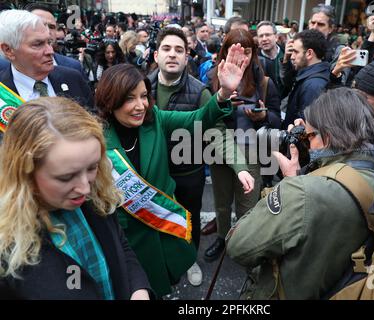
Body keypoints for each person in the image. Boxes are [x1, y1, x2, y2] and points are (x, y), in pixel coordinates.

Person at [94, 41, 249, 297]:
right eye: (129, 98)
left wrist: (222, 92)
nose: (140, 105)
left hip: (162, 227)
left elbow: (198, 118)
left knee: (163, 281)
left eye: (144, 96)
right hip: (125, 239)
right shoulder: (94, 138)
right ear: (110, 100)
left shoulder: (154, 119)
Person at [227, 87, 374, 299]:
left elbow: (239, 246)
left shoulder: (301, 192)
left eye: (309, 136)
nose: (307, 145)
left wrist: (290, 185)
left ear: (327, 137)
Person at [0, 97, 152, 299]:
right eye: (65, 177)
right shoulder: (6, 244)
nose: (84, 188)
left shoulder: (96, 195)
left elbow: (121, 248)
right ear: (24, 173)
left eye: (92, 167)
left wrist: (138, 289)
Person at [147, 27, 254, 286]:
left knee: (189, 220)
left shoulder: (200, 92)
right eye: (166, 48)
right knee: (154, 220)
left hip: (188, 175)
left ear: (187, 58)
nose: (172, 55)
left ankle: (188, 259)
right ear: (155, 54)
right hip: (151, 175)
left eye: (179, 50)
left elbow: (217, 133)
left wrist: (239, 166)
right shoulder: (142, 87)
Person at [205, 29, 282, 262]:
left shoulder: (264, 81)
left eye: (247, 51)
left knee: (248, 203)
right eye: (234, 51)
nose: (242, 57)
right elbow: (205, 116)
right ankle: (221, 237)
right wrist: (224, 102)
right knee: (221, 200)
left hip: (252, 150)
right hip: (220, 148)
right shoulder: (211, 77)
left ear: (253, 53)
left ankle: (242, 241)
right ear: (224, 52)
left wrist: (263, 116)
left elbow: (278, 117)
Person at [0, 10, 94, 111]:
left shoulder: (73, 79)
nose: (50, 51)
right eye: (37, 44)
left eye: (49, 42)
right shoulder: (3, 92)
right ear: (8, 50)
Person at [283, 29, 330, 129]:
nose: (292, 57)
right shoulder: (310, 77)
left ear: (309, 53)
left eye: (295, 52)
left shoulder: (313, 86)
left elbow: (306, 127)